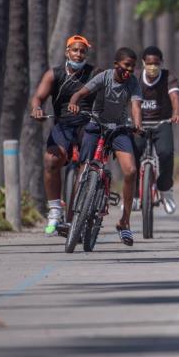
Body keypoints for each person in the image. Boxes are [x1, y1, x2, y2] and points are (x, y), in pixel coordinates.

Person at [68, 47, 143, 246]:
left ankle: (124, 222)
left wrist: (137, 125)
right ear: (116, 64)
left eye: (132, 67)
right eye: (126, 65)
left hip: (119, 129)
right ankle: (72, 218)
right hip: (96, 125)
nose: (129, 70)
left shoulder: (133, 83)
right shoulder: (104, 77)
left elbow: (136, 106)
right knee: (83, 168)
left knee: (131, 171)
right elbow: (80, 93)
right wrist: (74, 102)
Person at [29, 34, 98, 235]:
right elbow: (38, 97)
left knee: (85, 169)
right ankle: (55, 209)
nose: (78, 54)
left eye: (82, 51)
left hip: (88, 125)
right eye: (75, 50)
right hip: (63, 125)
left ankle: (75, 216)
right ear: (67, 52)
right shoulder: (54, 74)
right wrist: (37, 109)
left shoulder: (95, 73)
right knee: (51, 160)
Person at [133, 46, 179, 214]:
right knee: (133, 153)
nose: (152, 67)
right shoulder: (136, 77)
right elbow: (135, 104)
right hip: (139, 123)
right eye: (149, 63)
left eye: (156, 63)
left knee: (166, 153)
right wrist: (136, 124)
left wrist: (176, 114)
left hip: (161, 122)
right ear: (143, 63)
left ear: (161, 63)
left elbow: (175, 97)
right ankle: (133, 195)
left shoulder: (169, 77)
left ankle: (165, 189)